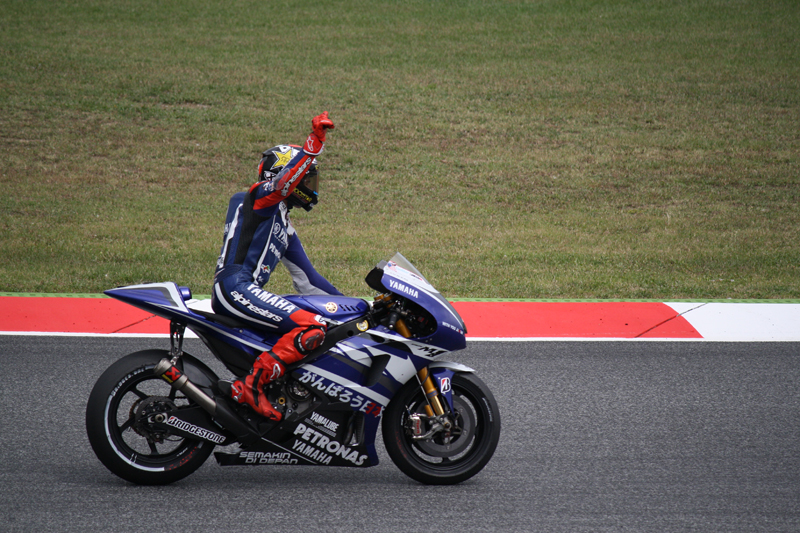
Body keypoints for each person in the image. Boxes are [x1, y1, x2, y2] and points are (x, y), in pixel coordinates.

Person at [211, 112, 340, 421]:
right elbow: (281, 186)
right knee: (311, 327)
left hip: (245, 291)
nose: (311, 184)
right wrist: (313, 146)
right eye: (306, 177)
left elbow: (308, 280)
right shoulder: (256, 198)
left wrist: (356, 308)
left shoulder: (283, 222)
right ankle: (252, 387)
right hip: (235, 287)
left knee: (316, 321)